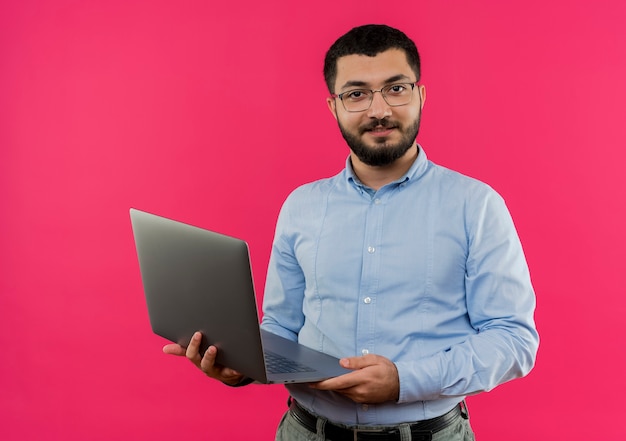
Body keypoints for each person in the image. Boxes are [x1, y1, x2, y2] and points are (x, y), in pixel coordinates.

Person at [164, 24, 539, 440]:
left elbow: (513, 339)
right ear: (333, 106)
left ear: (420, 95)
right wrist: (240, 365)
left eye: (396, 89)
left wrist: (404, 380)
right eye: (357, 94)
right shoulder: (300, 206)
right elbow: (281, 329)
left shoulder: (477, 205)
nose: (379, 110)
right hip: (305, 431)